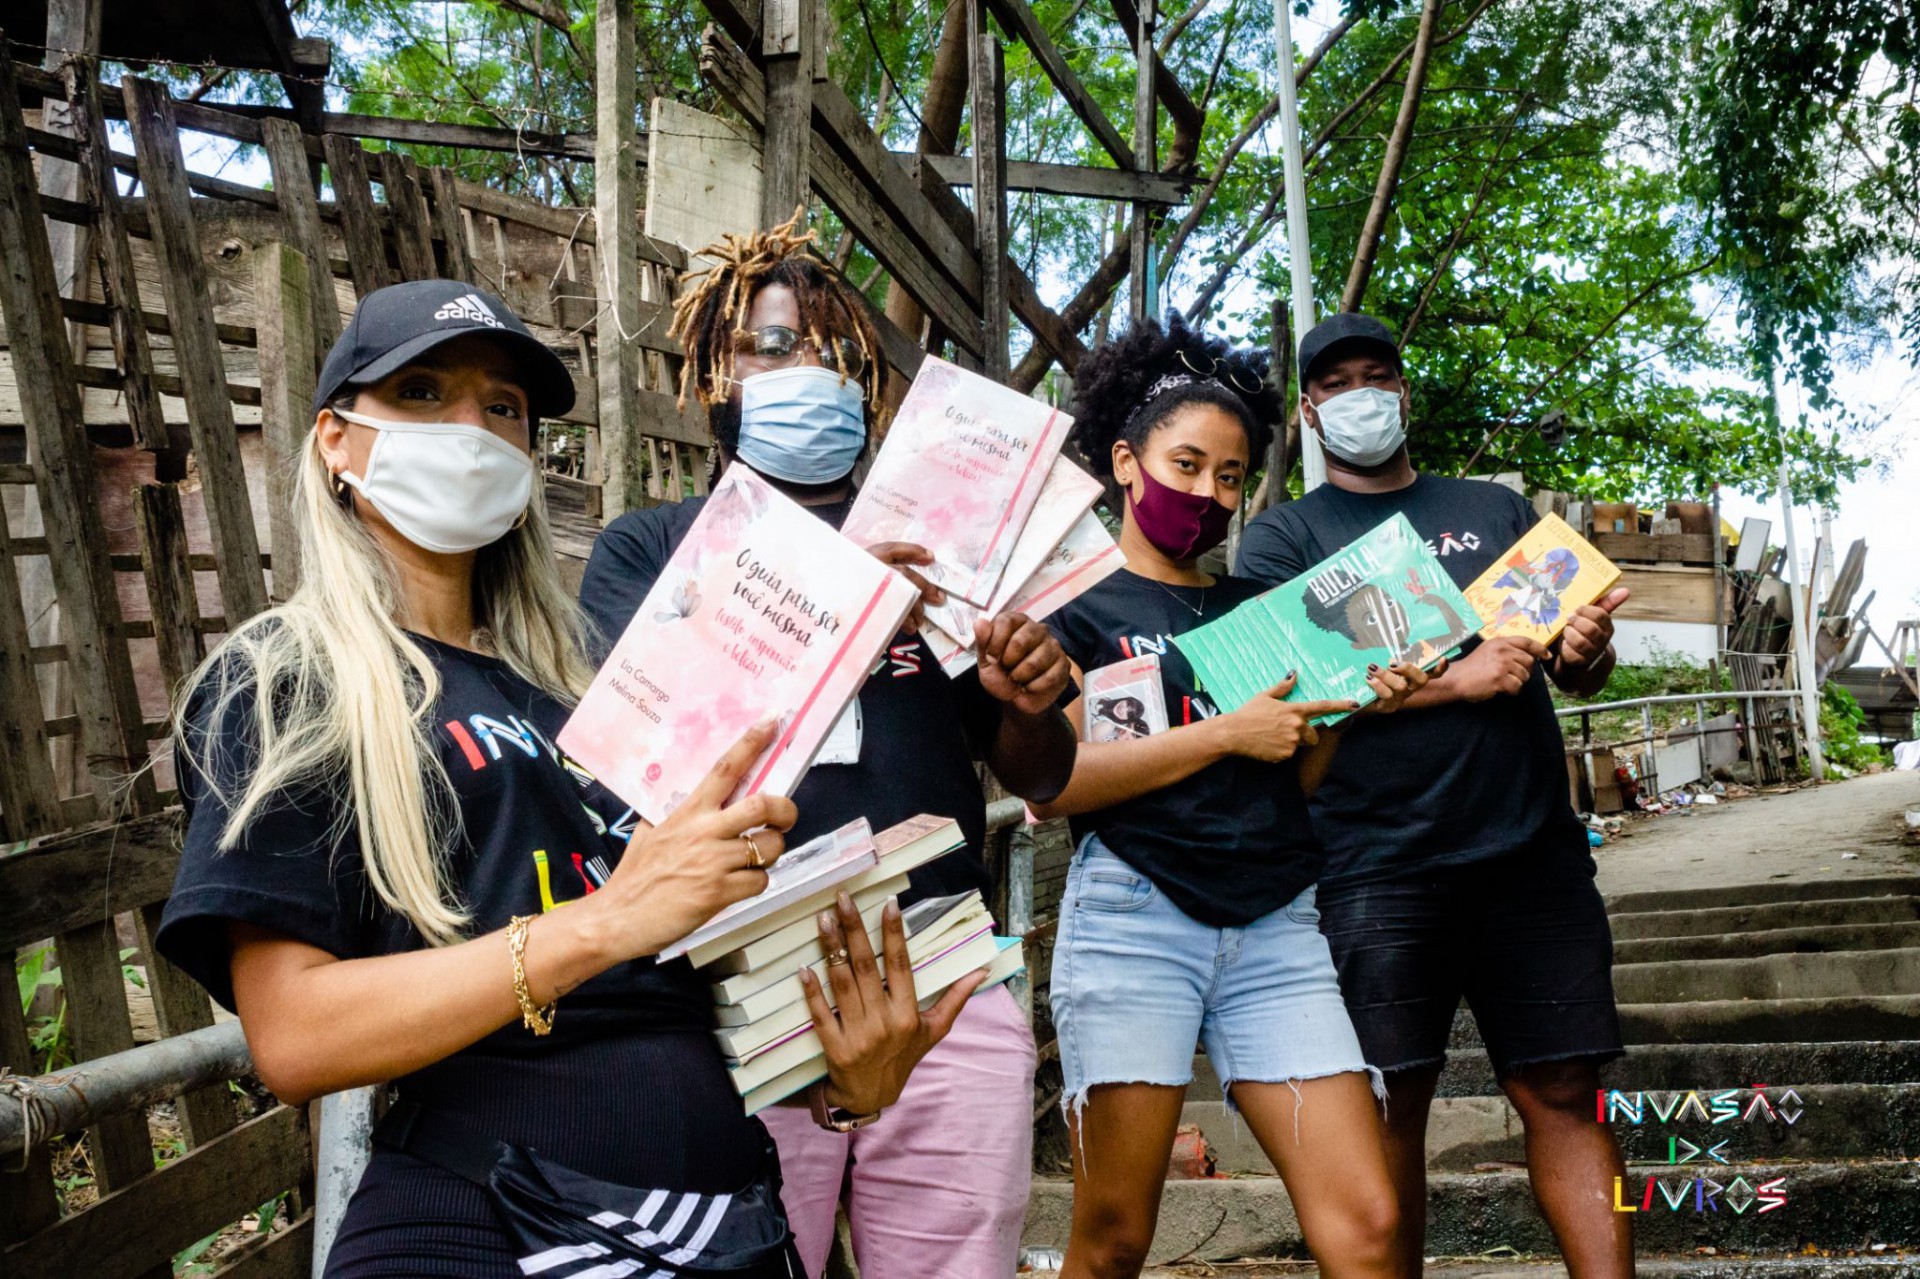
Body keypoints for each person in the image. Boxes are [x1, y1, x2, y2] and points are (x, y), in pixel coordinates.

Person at [156, 280, 974, 1278]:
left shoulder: (586, 696)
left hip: (725, 1223)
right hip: (490, 1222)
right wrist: (601, 922)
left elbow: (661, 991)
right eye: (422, 392)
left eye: (502, 407)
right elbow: (295, 1036)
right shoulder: (288, 678)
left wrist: (843, 1085)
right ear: (335, 438)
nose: (471, 428)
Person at [576, 217, 1078, 1279]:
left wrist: (1028, 699)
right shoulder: (649, 550)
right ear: (710, 372)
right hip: (739, 984)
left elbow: (1040, 774)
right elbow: (651, 742)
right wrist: (841, 597)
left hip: (939, 973)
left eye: (830, 350)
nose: (803, 366)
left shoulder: (943, 554)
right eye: (768, 345)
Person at [1030, 315, 1435, 1279]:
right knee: (1114, 1236)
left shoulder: (1259, 609)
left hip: (1277, 926)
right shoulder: (1076, 607)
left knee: (1370, 1222)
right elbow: (1064, 780)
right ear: (1125, 463)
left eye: (1230, 476)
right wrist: (1223, 732)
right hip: (1134, 915)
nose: (1208, 494)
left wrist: (1348, 712)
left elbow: (1291, 775)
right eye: (1186, 465)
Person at [1236, 312, 1634, 1279]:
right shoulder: (1283, 538)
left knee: (1565, 1091)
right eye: (1337, 384)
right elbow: (1280, 691)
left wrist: (1588, 648)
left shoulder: (1495, 512)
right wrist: (1458, 679)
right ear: (1310, 410)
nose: (1360, 396)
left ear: (1405, 393)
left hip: (1531, 857)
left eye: (1377, 376)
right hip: (1371, 866)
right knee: (1388, 1104)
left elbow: (1574, 666)